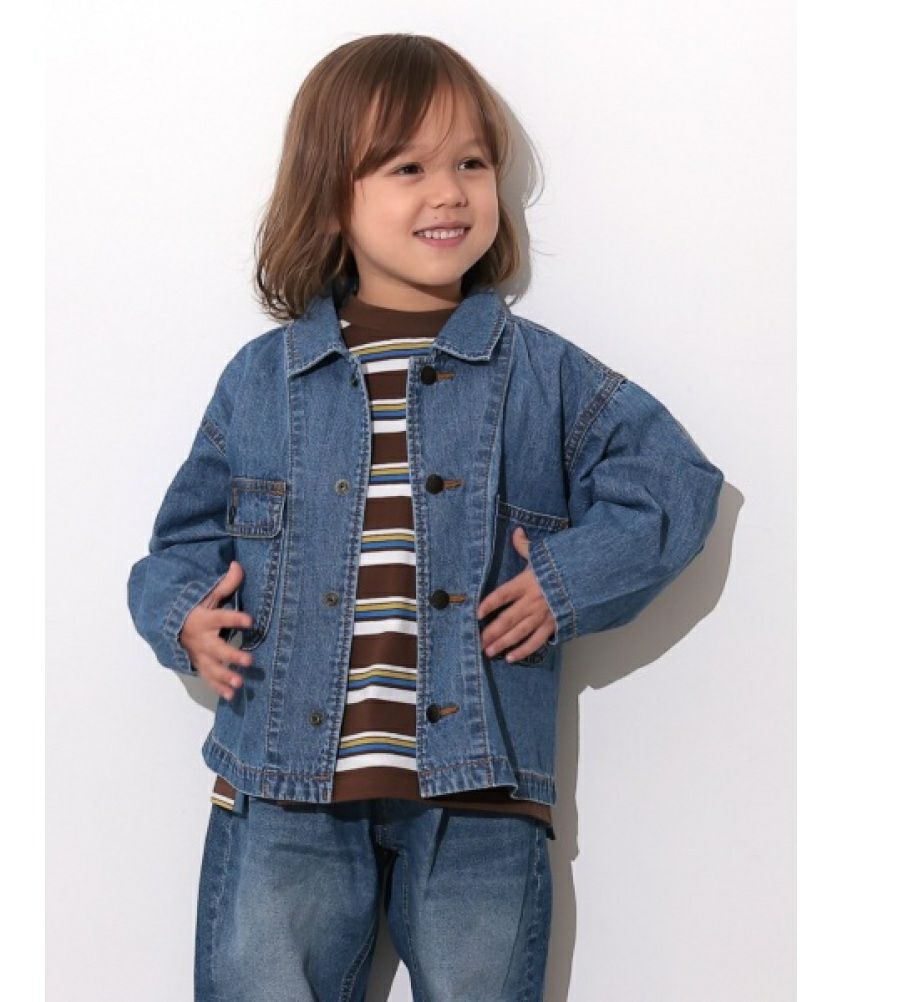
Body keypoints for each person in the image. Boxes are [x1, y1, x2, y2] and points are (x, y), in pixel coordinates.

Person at [127, 32, 725, 1002]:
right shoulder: (264, 380)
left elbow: (676, 481)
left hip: (480, 788)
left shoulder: (539, 373)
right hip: (281, 781)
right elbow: (181, 543)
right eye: (408, 168)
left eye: (472, 164)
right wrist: (184, 617)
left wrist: (566, 583)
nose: (449, 193)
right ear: (332, 196)